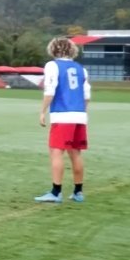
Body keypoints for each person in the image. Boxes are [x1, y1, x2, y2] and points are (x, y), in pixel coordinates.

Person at [36, 37, 91, 203]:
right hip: (79, 115)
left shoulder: (52, 65)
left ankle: (56, 192)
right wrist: (80, 112)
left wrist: (42, 111)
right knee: (75, 153)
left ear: (53, 49)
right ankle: (78, 192)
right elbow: (87, 96)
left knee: (56, 151)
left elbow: (50, 91)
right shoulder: (81, 68)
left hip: (62, 114)